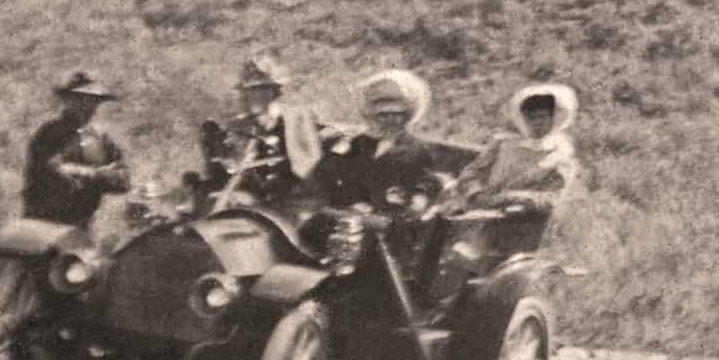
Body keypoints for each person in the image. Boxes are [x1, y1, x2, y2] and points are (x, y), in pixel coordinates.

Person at [197, 53, 324, 207]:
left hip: (293, 196)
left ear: (273, 93)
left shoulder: (293, 119)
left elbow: (311, 159)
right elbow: (236, 167)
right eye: (249, 92)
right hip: (255, 196)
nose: (254, 96)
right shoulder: (240, 127)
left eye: (261, 90)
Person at [322, 70, 451, 213]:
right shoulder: (360, 142)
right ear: (372, 116)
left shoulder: (415, 149)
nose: (390, 120)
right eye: (382, 115)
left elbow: (425, 180)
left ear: (407, 116)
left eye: (397, 114)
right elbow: (339, 174)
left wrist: (419, 197)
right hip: (351, 209)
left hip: (388, 213)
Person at [22, 72, 131, 227]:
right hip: (42, 225)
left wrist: (90, 175)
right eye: (80, 99)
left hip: (81, 227)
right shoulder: (49, 134)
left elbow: (124, 179)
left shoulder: (100, 137)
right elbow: (55, 173)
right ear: (67, 101)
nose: (87, 106)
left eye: (93, 101)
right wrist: (99, 174)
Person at [452, 83, 580, 212]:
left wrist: (514, 198)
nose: (538, 123)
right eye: (532, 117)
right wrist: (476, 194)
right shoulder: (504, 144)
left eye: (543, 116)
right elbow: (471, 172)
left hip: (522, 219)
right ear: (524, 118)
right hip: (482, 207)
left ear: (553, 118)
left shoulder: (560, 155)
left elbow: (554, 197)